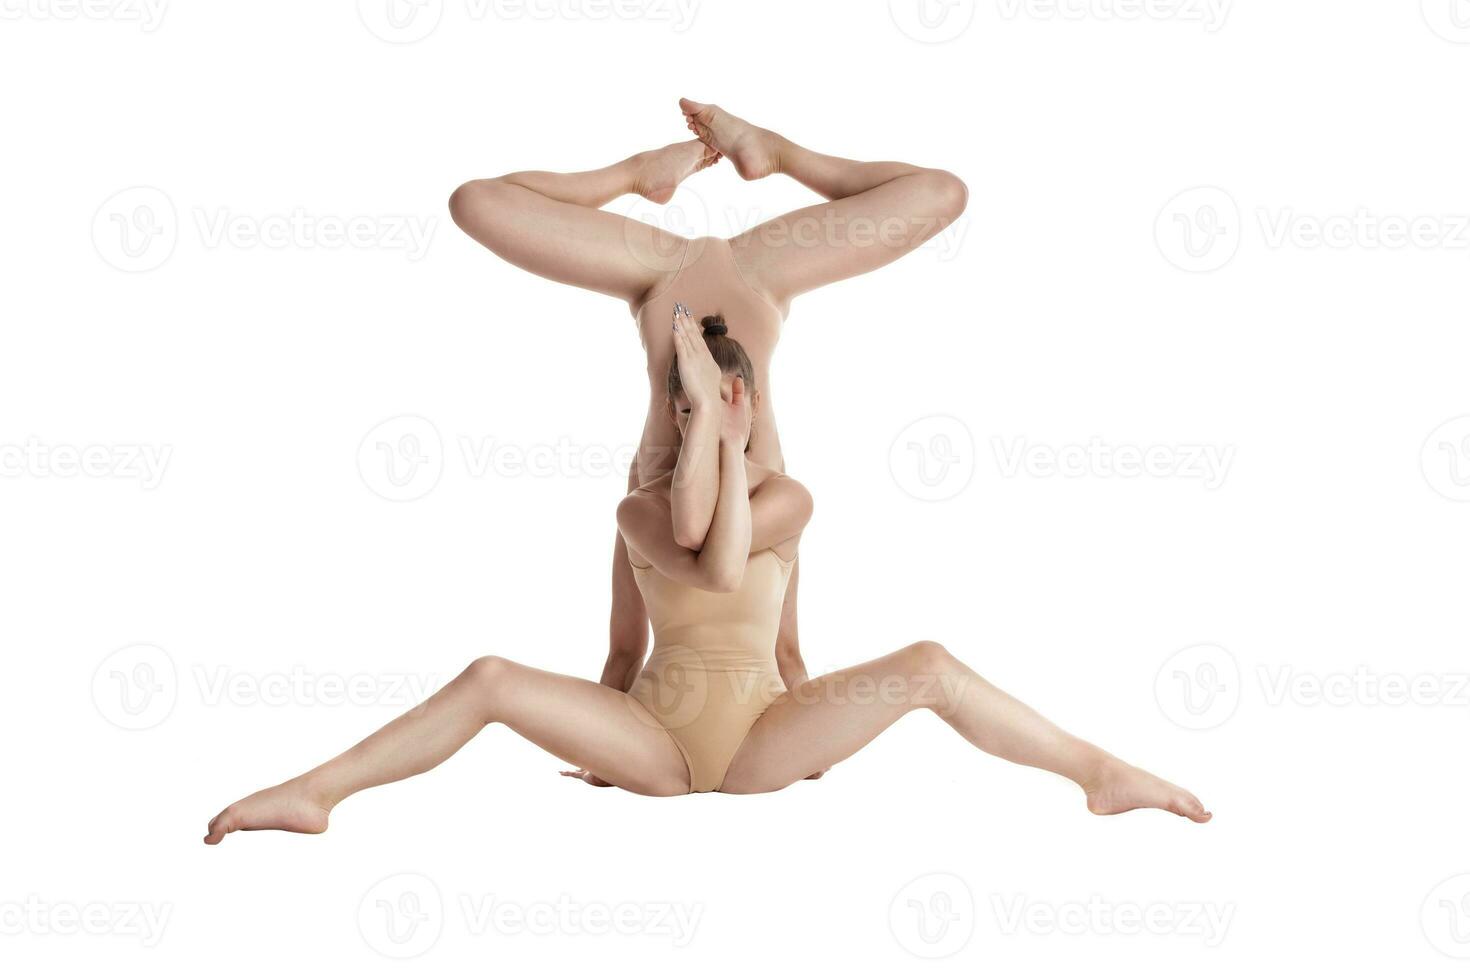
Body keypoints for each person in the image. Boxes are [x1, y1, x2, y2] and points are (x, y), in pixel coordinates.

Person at [202, 320, 1209, 845]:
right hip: (660, 744)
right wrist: (598, 741)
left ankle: (1100, 772)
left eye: (707, 408)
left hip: (766, 734)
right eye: (678, 413)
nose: (690, 426)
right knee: (491, 674)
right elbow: (622, 649)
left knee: (930, 663)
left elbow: (785, 642)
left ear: (741, 400)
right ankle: (316, 790)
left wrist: (820, 737)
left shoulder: (794, 499)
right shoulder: (637, 513)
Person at [446, 100, 969, 726]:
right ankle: (765, 154)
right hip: (757, 278)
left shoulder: (647, 503)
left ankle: (661, 171)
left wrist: (604, 731)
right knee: (941, 194)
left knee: (476, 202)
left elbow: (628, 649)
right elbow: (781, 648)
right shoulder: (771, 493)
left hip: (659, 279)